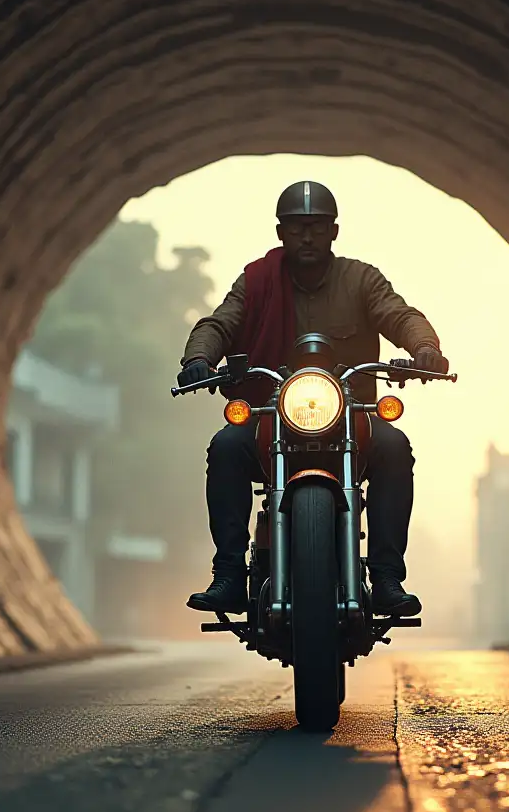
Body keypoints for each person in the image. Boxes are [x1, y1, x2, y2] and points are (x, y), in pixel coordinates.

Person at [177, 180, 449, 618]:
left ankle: (386, 578)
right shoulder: (257, 282)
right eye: (297, 226)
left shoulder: (361, 279)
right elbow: (219, 323)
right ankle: (227, 575)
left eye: (317, 227)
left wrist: (425, 349)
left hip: (351, 417)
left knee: (395, 446)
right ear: (281, 232)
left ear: (334, 232)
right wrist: (199, 358)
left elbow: (399, 315)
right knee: (226, 446)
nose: (307, 236)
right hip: (273, 416)